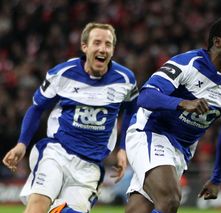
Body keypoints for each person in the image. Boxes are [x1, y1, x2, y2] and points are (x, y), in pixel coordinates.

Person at [2, 22, 138, 213]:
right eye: (97, 42)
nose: (102, 48)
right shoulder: (62, 74)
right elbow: (37, 108)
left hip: (90, 165)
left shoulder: (125, 80)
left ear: (113, 49)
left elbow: (132, 111)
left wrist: (123, 149)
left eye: (108, 44)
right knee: (37, 207)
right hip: (57, 153)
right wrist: (21, 144)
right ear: (85, 46)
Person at [125, 16, 221, 213]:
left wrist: (217, 178)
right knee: (170, 200)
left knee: (138, 210)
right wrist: (182, 103)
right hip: (150, 132)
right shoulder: (188, 64)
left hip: (182, 150)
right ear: (218, 42)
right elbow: (146, 96)